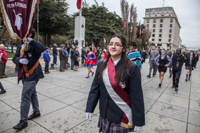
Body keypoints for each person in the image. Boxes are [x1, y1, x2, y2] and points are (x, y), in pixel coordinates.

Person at [86, 34, 145, 133]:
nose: (113, 46)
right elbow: (95, 89)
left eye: (117, 44)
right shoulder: (101, 64)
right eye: (111, 44)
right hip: (104, 114)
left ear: (123, 48)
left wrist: (139, 120)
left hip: (121, 116)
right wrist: (89, 108)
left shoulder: (132, 67)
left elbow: (137, 96)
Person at [12, 29, 47, 131]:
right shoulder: (20, 47)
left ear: (30, 34)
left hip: (33, 75)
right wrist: (19, 60)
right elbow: (14, 58)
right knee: (32, 94)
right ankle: (36, 111)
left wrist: (30, 40)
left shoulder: (34, 46)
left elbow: (42, 48)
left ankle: (23, 121)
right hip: (24, 75)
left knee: (25, 96)